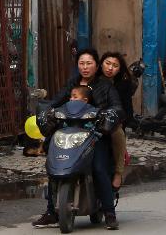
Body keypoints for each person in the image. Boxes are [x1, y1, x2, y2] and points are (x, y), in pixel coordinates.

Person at [33, 48, 123, 231]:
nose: (85, 67)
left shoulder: (105, 86)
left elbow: (116, 106)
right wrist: (46, 112)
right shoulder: (72, 84)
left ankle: (109, 213)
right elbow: (55, 102)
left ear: (96, 66)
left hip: (95, 136)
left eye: (89, 63)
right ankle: (51, 211)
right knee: (53, 167)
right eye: (81, 63)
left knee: (98, 168)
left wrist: (108, 115)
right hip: (69, 133)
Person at [99, 52, 134, 191]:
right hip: (91, 119)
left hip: (112, 122)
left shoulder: (123, 84)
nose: (110, 68)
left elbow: (127, 110)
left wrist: (119, 119)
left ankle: (118, 173)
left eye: (115, 65)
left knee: (117, 134)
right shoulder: (93, 80)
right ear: (101, 64)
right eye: (107, 63)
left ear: (119, 69)